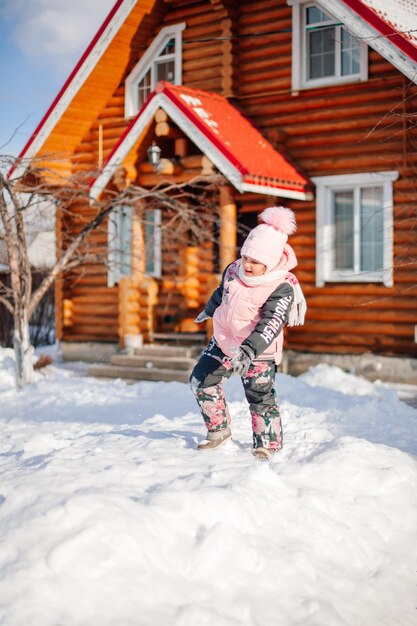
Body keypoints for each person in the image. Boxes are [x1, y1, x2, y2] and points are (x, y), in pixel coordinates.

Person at [190, 206, 306, 460]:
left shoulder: (281, 286)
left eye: (256, 261)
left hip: (258, 349)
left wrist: (249, 350)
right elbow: (222, 293)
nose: (248, 265)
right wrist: (208, 311)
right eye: (246, 258)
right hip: (224, 340)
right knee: (201, 380)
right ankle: (218, 430)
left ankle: (268, 443)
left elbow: (271, 323)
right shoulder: (233, 270)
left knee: (259, 395)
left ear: (272, 262)